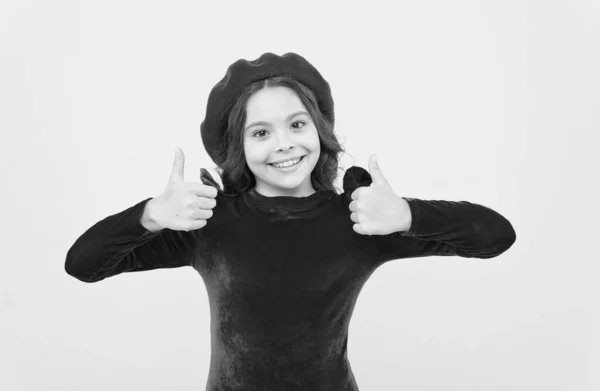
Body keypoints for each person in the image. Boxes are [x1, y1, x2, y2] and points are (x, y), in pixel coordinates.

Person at [65, 52, 517, 391]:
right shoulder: (210, 224)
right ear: (237, 148)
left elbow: (496, 236)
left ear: (318, 131)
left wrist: (407, 216)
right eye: (261, 133)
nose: (284, 144)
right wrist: (150, 216)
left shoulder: (361, 220)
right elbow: (83, 263)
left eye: (297, 125)